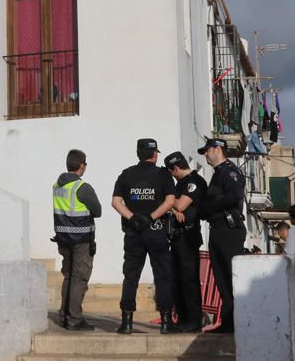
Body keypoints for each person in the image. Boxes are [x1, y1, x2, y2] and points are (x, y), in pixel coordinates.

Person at [111, 138, 178, 335]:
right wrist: (150, 218)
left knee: (131, 276)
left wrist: (133, 218)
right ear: (155, 154)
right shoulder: (163, 175)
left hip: (133, 232)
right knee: (163, 275)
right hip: (156, 231)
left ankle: (127, 322)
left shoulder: (126, 174)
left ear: (138, 153)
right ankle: (166, 322)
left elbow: (116, 202)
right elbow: (170, 201)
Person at [198, 137, 246, 333]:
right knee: (220, 277)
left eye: (207, 151)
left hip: (229, 230)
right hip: (217, 229)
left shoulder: (230, 172)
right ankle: (227, 322)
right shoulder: (217, 174)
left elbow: (235, 195)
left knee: (230, 275)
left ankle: (235, 321)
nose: (205, 155)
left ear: (217, 149)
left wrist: (209, 206)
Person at [53, 148, 102, 331]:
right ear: (82, 166)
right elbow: (98, 211)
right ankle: (74, 319)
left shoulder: (57, 186)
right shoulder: (82, 187)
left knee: (68, 277)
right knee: (79, 278)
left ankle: (64, 316)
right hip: (81, 239)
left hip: (63, 238)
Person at [164, 151, 207, 333]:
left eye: (171, 172)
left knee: (188, 280)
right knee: (177, 279)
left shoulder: (193, 182)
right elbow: (177, 206)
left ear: (175, 168)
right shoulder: (180, 184)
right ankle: (182, 318)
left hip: (188, 237)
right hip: (177, 236)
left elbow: (181, 205)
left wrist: (168, 199)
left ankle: (193, 319)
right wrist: (174, 208)